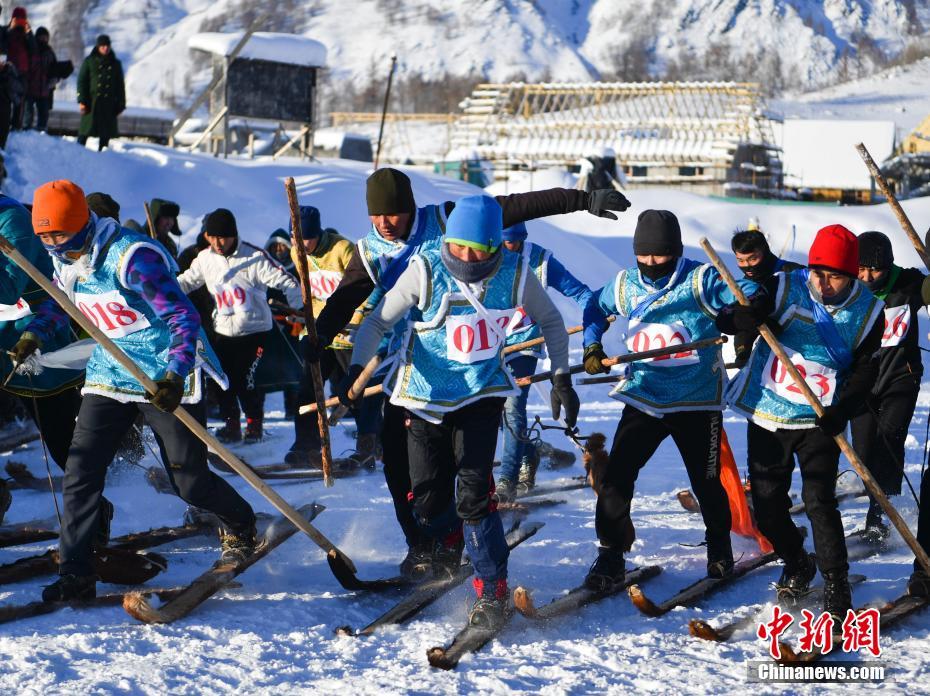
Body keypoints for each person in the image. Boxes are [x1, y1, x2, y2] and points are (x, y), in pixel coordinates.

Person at [312, 167, 630, 577]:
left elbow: (519, 205)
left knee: (462, 473)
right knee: (399, 468)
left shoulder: (451, 220)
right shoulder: (370, 249)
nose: (384, 223)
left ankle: (465, 536)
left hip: (472, 375)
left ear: (410, 208)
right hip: (408, 371)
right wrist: (318, 340)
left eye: (393, 214)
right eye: (376, 215)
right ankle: (424, 544)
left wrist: (583, 199)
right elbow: (346, 301)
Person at [15, 180, 256, 601]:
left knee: (189, 481)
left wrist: (175, 376)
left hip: (162, 373)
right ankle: (76, 571)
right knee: (81, 469)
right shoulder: (64, 258)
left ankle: (240, 523)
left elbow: (183, 319)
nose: (53, 246)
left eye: (59, 236)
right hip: (111, 372)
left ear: (83, 224)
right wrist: (35, 335)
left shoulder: (133, 258)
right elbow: (63, 303)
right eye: (44, 238)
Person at [345, 195, 579, 627]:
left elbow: (550, 322)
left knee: (474, 497)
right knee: (429, 503)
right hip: (425, 398)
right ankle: (453, 540)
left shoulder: (515, 273)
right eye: (458, 246)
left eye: (478, 249)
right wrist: (358, 367)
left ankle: (492, 589)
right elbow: (377, 322)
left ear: (495, 244)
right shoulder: (425, 269)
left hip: (481, 395)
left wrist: (560, 375)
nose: (466, 257)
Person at [717, 224, 884, 620]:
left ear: (852, 274)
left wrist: (842, 410)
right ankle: (796, 560)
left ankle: (837, 585)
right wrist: (741, 317)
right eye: (817, 273)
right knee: (770, 509)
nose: (823, 284)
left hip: (819, 418)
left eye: (834, 276)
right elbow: (734, 315)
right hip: (770, 412)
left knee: (819, 503)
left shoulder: (869, 313)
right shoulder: (784, 286)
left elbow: (864, 373)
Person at [582, 209, 755, 590]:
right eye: (643, 255)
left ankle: (719, 549)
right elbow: (595, 307)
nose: (650, 263)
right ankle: (610, 554)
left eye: (659, 255)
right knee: (617, 477)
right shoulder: (626, 284)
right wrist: (591, 343)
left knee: (706, 482)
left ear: (675, 251)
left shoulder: (700, 278)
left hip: (696, 400)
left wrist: (742, 310)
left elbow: (744, 294)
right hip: (645, 395)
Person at [177, 208, 302, 443]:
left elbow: (289, 282)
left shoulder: (254, 258)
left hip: (255, 332)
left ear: (234, 234)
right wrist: (162, 292)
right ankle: (231, 425)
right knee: (221, 381)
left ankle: (254, 425)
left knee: (246, 380)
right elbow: (187, 281)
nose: (217, 243)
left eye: (222, 237)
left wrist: (299, 310)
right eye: (212, 237)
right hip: (223, 331)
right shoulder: (205, 258)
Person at [495, 221, 592, 501]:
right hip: (489, 345)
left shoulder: (539, 260)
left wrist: (594, 312)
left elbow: (579, 291)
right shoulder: (483, 256)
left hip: (524, 344)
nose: (504, 249)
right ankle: (530, 452)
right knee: (496, 412)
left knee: (513, 408)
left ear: (523, 239)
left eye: (510, 243)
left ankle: (506, 481)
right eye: (499, 242)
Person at [286, 205, 383, 467]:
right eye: (297, 238)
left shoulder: (343, 249)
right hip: (320, 331)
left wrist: (355, 321)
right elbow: (312, 295)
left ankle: (369, 444)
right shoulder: (297, 253)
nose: (302, 244)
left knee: (355, 391)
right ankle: (305, 443)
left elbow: (363, 286)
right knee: (308, 388)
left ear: (318, 233)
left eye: (307, 238)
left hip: (350, 331)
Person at [849, 231, 925, 541]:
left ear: (889, 265)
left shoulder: (909, 284)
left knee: (888, 445)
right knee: (864, 453)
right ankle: (880, 504)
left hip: (900, 377)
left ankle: (880, 518)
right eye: (861, 269)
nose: (867, 277)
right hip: (860, 383)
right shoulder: (849, 289)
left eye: (875, 270)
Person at [729, 228, 802, 368]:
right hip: (772, 359)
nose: (747, 266)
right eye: (741, 260)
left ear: (765, 252)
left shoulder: (795, 274)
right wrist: (742, 350)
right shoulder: (745, 287)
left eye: (753, 259)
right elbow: (744, 323)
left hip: (805, 352)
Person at [76, 34, 124, 151]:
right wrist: (82, 100)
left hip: (108, 103)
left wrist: (121, 104)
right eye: (102, 46)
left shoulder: (116, 64)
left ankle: (103, 157)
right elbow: (82, 81)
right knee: (84, 131)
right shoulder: (89, 61)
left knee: (105, 133)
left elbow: (120, 86)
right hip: (91, 102)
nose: (105, 48)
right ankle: (77, 153)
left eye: (107, 46)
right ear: (98, 47)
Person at [1, 6, 31, 130]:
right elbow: (2, 45)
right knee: (7, 97)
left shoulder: (27, 35)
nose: (19, 21)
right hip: (8, 69)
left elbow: (33, 50)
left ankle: (16, 125)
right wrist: (10, 29)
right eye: (16, 19)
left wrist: (29, 34)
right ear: (12, 19)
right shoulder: (6, 31)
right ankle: (6, 125)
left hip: (23, 70)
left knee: (20, 99)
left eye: (22, 19)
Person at [24, 26, 55, 132]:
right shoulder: (31, 50)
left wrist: (53, 82)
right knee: (28, 115)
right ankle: (25, 132)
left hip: (44, 90)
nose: (43, 39)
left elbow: (55, 69)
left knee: (44, 116)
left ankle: (41, 135)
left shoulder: (50, 52)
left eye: (45, 37)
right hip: (30, 88)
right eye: (41, 37)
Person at [0, 52, 22, 149]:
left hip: (5, 105)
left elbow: (19, 88)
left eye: (2, 59)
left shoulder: (10, 71)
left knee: (3, 128)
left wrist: (7, 81)